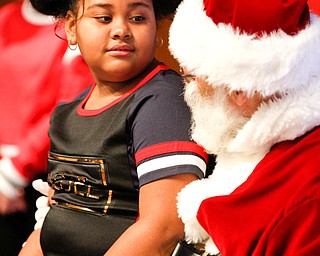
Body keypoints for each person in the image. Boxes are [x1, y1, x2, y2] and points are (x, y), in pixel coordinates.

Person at [19, 0, 209, 255]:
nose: (121, 30)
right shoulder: (66, 114)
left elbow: (163, 228)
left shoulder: (162, 101)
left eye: (138, 18)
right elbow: (56, 216)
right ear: (72, 27)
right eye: (104, 18)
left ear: (157, 30)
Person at [169, 0, 320, 255]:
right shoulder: (267, 148)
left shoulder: (297, 203)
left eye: (191, 77)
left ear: (240, 91)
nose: (189, 90)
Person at [0, 0, 93, 255]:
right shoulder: (5, 17)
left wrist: (11, 175)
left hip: (41, 175)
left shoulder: (78, 24)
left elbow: (68, 108)